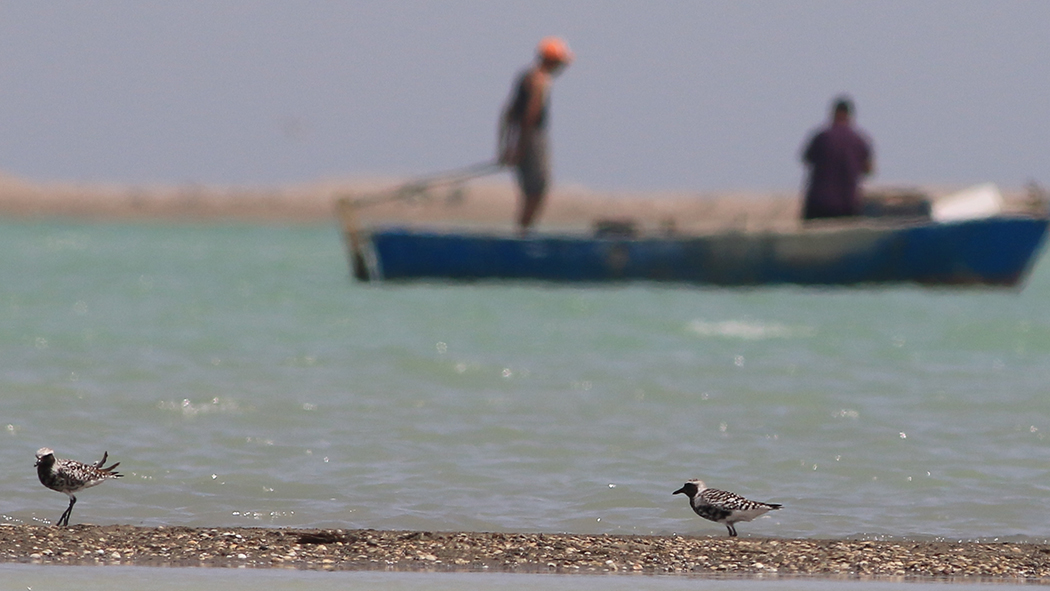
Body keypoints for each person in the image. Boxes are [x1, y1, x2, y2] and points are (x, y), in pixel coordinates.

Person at [498, 37, 573, 233]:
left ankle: (523, 231)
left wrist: (506, 146)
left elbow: (508, 114)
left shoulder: (526, 76)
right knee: (537, 188)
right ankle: (523, 234)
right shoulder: (540, 80)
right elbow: (529, 117)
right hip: (532, 140)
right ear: (552, 61)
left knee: (531, 189)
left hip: (525, 139)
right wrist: (520, 148)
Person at [800, 96, 874, 220]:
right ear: (849, 115)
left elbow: (807, 159)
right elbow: (868, 170)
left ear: (834, 113)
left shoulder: (822, 137)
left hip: (819, 203)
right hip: (848, 204)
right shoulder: (859, 141)